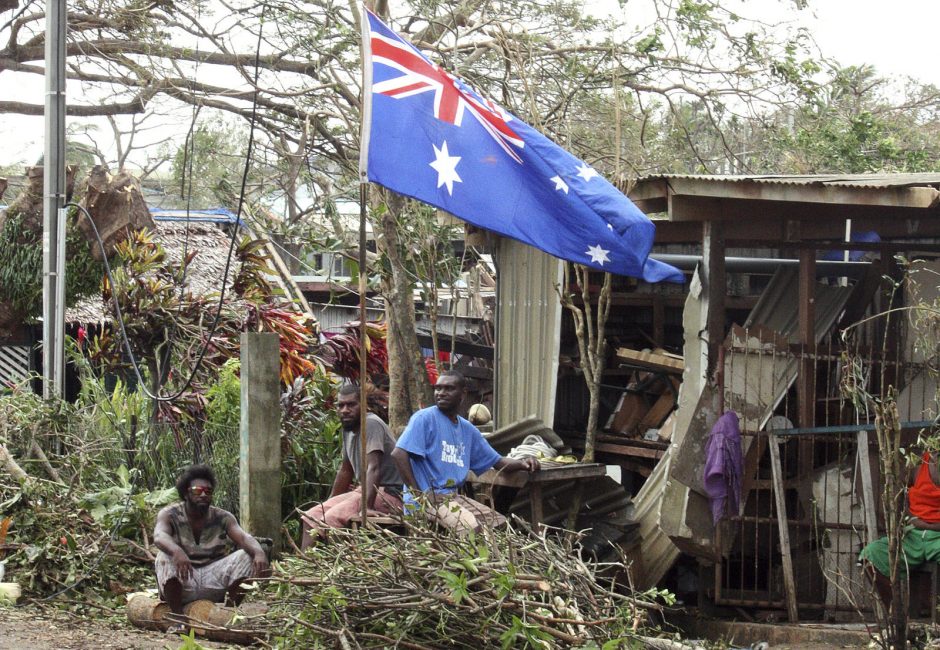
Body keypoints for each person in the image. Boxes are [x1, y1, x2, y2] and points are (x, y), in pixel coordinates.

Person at [391, 370, 539, 533]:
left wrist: (524, 463)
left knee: (500, 524)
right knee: (471, 528)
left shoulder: (468, 430)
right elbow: (398, 454)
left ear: (463, 394)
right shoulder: (424, 419)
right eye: (438, 388)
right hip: (427, 499)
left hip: (451, 498)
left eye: (448, 388)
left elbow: (498, 462)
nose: (441, 393)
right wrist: (420, 494)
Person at [153, 465, 270, 629]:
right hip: (184, 580)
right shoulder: (169, 514)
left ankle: (227, 613)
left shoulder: (223, 517)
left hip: (213, 580)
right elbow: (159, 536)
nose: (203, 494)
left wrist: (259, 553)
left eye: (208, 491)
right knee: (164, 556)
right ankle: (178, 617)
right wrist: (177, 551)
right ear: (186, 493)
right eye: (197, 490)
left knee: (247, 555)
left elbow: (244, 537)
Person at [300, 384, 404, 547]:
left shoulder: (371, 424)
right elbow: (345, 471)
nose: (345, 410)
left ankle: (337, 566)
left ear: (363, 405)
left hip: (389, 494)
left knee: (331, 519)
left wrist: (367, 507)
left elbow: (373, 467)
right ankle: (303, 566)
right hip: (364, 490)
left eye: (351, 405)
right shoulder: (348, 428)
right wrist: (330, 502)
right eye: (341, 405)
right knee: (311, 516)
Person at [860, 451, 940, 608]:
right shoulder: (917, 467)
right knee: (870, 555)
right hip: (912, 536)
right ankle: (896, 616)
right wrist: (910, 518)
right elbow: (899, 496)